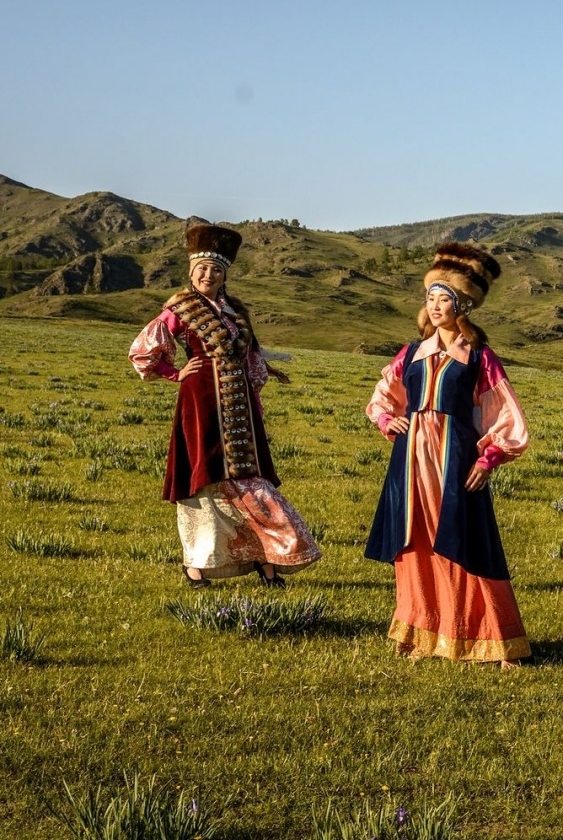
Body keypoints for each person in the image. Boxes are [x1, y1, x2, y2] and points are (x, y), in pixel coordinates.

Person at [128, 222, 320, 587]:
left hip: (239, 406)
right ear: (191, 272)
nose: (208, 274)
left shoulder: (234, 310)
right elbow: (143, 349)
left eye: (215, 269)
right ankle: (197, 564)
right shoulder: (179, 308)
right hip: (200, 402)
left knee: (249, 477)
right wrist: (174, 372)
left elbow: (251, 355)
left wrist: (267, 372)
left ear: (224, 275)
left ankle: (264, 556)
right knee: (206, 479)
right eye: (202, 268)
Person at [365, 243, 530, 666]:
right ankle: (421, 631)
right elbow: (383, 396)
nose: (436, 306)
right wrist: (388, 421)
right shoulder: (412, 353)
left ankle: (492, 638)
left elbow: (504, 413)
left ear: (464, 306)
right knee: (414, 542)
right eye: (431, 298)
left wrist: (487, 458)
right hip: (409, 459)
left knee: (465, 542)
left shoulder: (479, 357)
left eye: (445, 299)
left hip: (453, 456)